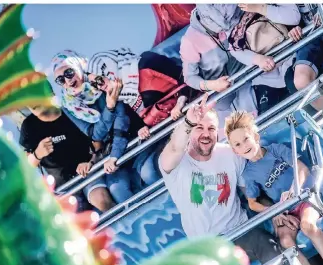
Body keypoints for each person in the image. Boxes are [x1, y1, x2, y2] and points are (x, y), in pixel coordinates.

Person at [158, 94, 281, 265]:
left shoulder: (230, 154)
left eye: (211, 129)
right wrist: (188, 122)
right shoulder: (176, 163)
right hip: (206, 248)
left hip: (240, 232)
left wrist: (274, 213)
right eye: (199, 128)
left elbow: (252, 194)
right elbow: (174, 147)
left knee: (267, 245)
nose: (206, 134)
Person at [224, 111, 323, 265]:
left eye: (246, 139)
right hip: (286, 209)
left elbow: (302, 168)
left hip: (305, 195)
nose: (244, 146)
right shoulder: (248, 174)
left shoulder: (275, 149)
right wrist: (275, 210)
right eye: (238, 144)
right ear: (235, 151)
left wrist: (293, 190)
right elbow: (253, 203)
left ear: (255, 137)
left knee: (307, 225)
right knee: (285, 241)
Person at [51, 50, 163, 190]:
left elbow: (121, 115)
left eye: (69, 72)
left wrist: (114, 154)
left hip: (134, 135)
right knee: (117, 188)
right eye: (60, 79)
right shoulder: (68, 105)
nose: (68, 80)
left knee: (149, 173)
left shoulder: (98, 76)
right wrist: (109, 107)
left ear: (78, 66)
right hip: (110, 151)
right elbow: (95, 134)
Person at [19, 103, 119, 213]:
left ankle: (128, 224)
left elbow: (97, 144)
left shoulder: (70, 111)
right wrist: (37, 154)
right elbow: (27, 165)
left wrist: (90, 162)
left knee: (102, 201)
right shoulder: (29, 125)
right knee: (77, 222)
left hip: (88, 173)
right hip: (63, 188)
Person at [179, 4, 258, 138]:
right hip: (218, 92)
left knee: (252, 118)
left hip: (245, 75)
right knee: (226, 131)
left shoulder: (232, 11)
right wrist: (213, 85)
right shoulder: (189, 41)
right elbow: (189, 77)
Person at [228, 4, 301, 113]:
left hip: (293, 53)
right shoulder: (228, 17)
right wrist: (258, 59)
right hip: (266, 77)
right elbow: (234, 49)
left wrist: (259, 8)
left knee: (298, 86)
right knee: (272, 115)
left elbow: (294, 17)